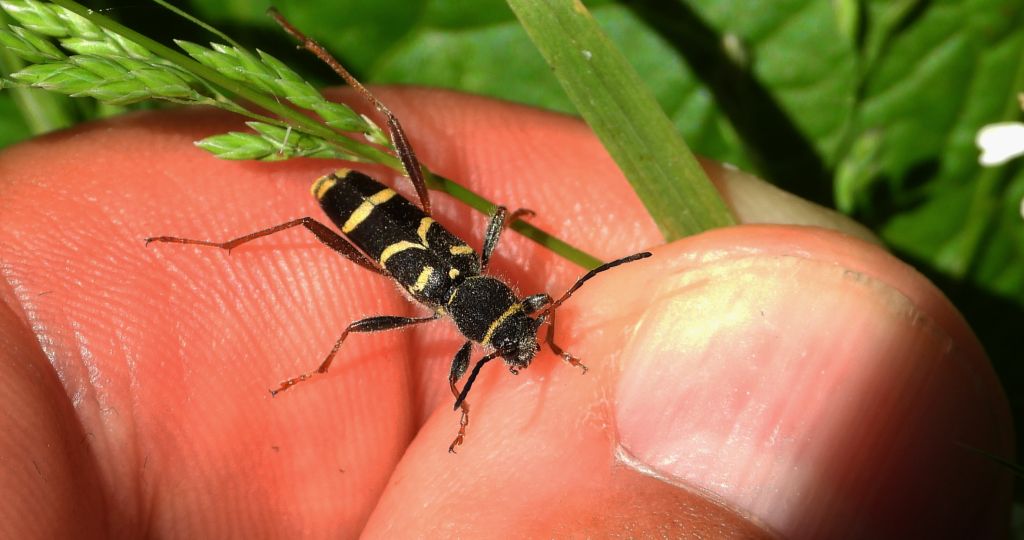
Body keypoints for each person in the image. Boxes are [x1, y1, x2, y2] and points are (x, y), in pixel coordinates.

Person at [0, 88, 1012, 538]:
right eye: (513, 330)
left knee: (395, 155)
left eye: (518, 329)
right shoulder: (455, 298)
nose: (520, 334)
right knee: (377, 184)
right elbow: (476, 276)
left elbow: (487, 282)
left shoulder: (461, 302)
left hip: (394, 232)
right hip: (353, 213)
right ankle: (217, 246)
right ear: (481, 323)